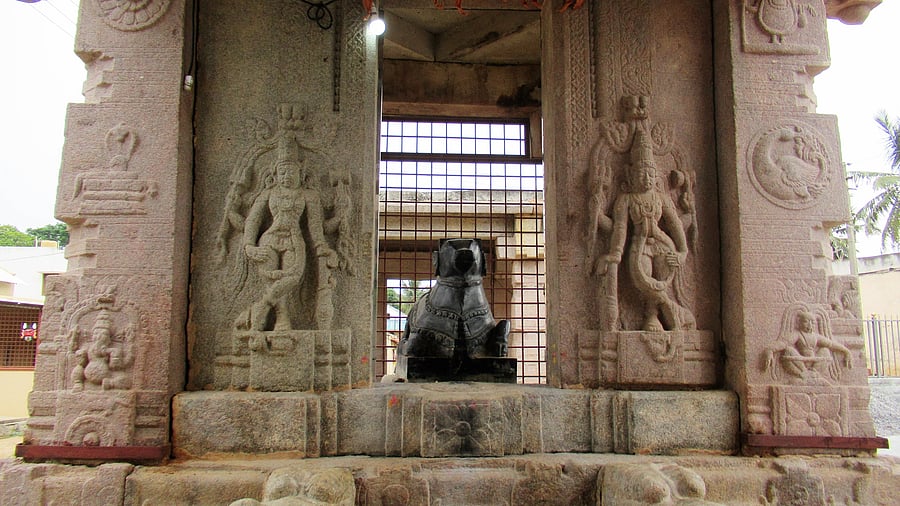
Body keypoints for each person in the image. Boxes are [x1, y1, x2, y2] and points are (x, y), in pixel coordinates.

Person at [599, 129, 695, 332]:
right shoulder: (626, 199)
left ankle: (653, 317)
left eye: (650, 174)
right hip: (640, 246)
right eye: (642, 174)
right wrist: (616, 253)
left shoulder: (661, 198)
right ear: (631, 175)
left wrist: (682, 252)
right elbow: (620, 228)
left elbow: (675, 225)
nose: (647, 179)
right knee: (643, 279)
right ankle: (674, 312)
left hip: (662, 244)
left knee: (660, 278)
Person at [240, 156, 335, 331]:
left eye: (291, 172)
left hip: (293, 241)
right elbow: (253, 220)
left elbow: (314, 226)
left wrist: (321, 245)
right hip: (268, 240)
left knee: (293, 276)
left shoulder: (308, 195)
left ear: (301, 174)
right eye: (282, 172)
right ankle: (282, 319)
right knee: (271, 279)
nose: (286, 176)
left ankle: (262, 307)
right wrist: (249, 245)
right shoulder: (268, 193)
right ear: (275, 175)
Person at [767, 309, 852, 382]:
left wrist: (846, 351)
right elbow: (784, 343)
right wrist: (770, 350)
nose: (809, 324)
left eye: (812, 322)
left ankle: (814, 373)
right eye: (806, 321)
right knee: (788, 350)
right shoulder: (797, 334)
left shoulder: (816, 336)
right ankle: (803, 373)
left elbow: (831, 344)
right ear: (799, 323)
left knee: (825, 350)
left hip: (814, 362)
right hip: (800, 362)